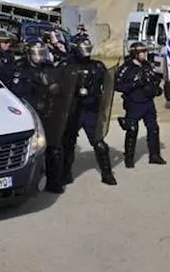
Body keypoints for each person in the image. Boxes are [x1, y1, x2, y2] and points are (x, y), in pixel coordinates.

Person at [12, 41, 74, 194]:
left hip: (49, 113)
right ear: (29, 54)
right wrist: (35, 89)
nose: (39, 57)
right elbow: (16, 92)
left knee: (54, 148)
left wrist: (56, 87)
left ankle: (54, 181)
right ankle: (26, 182)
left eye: (41, 53)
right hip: (28, 114)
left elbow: (61, 88)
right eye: (35, 53)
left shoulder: (49, 68)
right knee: (31, 149)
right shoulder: (21, 69)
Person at [61, 36, 117, 186]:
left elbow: (109, 85)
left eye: (88, 48)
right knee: (68, 143)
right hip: (73, 111)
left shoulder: (97, 66)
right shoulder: (66, 66)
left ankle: (107, 174)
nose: (86, 51)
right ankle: (65, 174)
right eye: (83, 48)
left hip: (91, 110)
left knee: (99, 143)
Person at [115, 41, 165, 168]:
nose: (145, 54)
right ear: (134, 54)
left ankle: (154, 155)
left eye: (145, 51)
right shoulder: (126, 68)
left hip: (148, 103)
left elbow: (154, 80)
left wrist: (156, 89)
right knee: (132, 130)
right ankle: (129, 159)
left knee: (153, 129)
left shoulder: (147, 65)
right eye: (142, 52)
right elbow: (117, 85)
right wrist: (134, 84)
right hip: (134, 103)